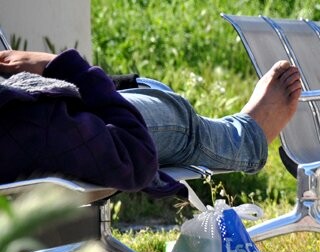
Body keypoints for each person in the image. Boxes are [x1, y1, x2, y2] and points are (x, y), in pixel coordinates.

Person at [0, 48, 302, 197]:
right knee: (176, 119)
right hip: (48, 122)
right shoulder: (35, 129)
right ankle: (245, 138)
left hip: (39, 117)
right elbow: (134, 156)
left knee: (151, 90)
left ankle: (143, 88)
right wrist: (61, 65)